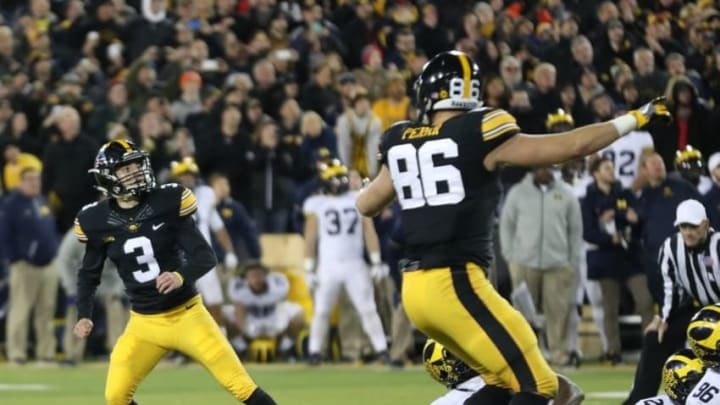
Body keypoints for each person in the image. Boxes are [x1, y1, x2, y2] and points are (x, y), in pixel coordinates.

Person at [356, 50, 670, 404]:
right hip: (455, 283)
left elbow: (366, 204)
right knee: (542, 384)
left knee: (502, 381)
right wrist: (634, 119)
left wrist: (362, 186)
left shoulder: (400, 137)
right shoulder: (480, 130)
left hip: (415, 291)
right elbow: (571, 146)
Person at [72, 140, 276, 405]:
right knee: (115, 397)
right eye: (126, 168)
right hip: (143, 323)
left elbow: (205, 256)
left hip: (187, 315)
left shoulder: (166, 202)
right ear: (108, 176)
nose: (135, 172)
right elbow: (88, 275)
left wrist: (179, 275)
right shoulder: (95, 220)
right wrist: (84, 315)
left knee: (242, 387)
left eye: (137, 165)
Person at [624, 199, 719, 404]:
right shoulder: (671, 247)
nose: (687, 232)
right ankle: (638, 399)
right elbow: (670, 288)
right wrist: (663, 317)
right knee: (655, 336)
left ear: (705, 224)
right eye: (683, 227)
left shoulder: (718, 245)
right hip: (699, 311)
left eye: (693, 226)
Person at [303, 161, 388, 365]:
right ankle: (314, 351)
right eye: (336, 178)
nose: (340, 182)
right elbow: (310, 237)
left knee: (367, 308)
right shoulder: (317, 203)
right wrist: (308, 267)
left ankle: (382, 349)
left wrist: (376, 260)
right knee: (321, 311)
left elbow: (369, 231)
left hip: (354, 264)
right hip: (328, 265)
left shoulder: (356, 198)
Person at [581, 156, 654, 365]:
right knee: (610, 308)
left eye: (612, 167)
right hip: (606, 258)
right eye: (607, 168)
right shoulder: (589, 200)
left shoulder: (625, 194)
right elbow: (588, 233)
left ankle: (651, 350)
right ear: (596, 173)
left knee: (645, 301)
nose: (612, 171)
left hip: (630, 256)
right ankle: (613, 352)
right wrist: (608, 236)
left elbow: (639, 220)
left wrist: (633, 218)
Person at [0, 167, 59, 365]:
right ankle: (17, 353)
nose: (35, 183)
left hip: (48, 265)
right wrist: (14, 259)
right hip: (25, 266)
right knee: (20, 310)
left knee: (46, 310)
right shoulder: (11, 205)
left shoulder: (42, 201)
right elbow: (4, 234)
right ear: (20, 182)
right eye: (30, 180)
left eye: (37, 180)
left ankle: (46, 352)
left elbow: (50, 229)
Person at [170, 157, 239, 325]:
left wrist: (230, 252)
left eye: (190, 175)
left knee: (214, 302)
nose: (187, 179)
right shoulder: (167, 198)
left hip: (202, 258)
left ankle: (220, 338)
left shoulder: (205, 195)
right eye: (183, 176)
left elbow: (218, 226)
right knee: (179, 308)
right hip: (179, 261)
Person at [225, 261, 306, 358]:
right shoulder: (240, 290)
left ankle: (285, 348)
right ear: (246, 278)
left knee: (298, 313)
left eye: (259, 275)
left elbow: (282, 304)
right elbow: (238, 308)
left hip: (273, 319)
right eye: (252, 276)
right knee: (223, 314)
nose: (256, 279)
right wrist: (244, 330)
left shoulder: (276, 287)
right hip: (250, 320)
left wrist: (281, 328)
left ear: (265, 276)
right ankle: (240, 348)